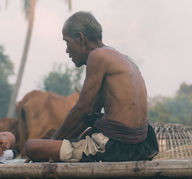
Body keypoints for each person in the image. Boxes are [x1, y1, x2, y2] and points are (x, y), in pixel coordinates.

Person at [25, 11, 158, 162]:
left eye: (67, 42)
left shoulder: (97, 56)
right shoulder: (122, 59)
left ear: (81, 39)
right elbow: (90, 113)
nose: (67, 50)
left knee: (31, 147)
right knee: (75, 137)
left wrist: (51, 145)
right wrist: (60, 144)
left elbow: (82, 108)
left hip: (115, 146)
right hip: (141, 145)